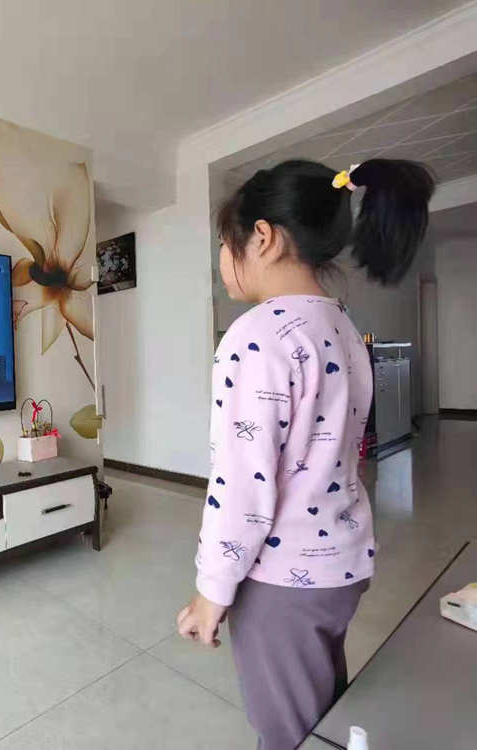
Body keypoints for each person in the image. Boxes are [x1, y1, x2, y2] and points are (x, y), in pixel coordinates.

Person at [176, 159, 434, 750]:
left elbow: (242, 483)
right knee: (322, 709)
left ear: (263, 238)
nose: (222, 259)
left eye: (225, 244)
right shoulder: (342, 328)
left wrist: (212, 591)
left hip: (281, 582)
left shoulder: (255, 335)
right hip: (341, 565)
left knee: (288, 733)